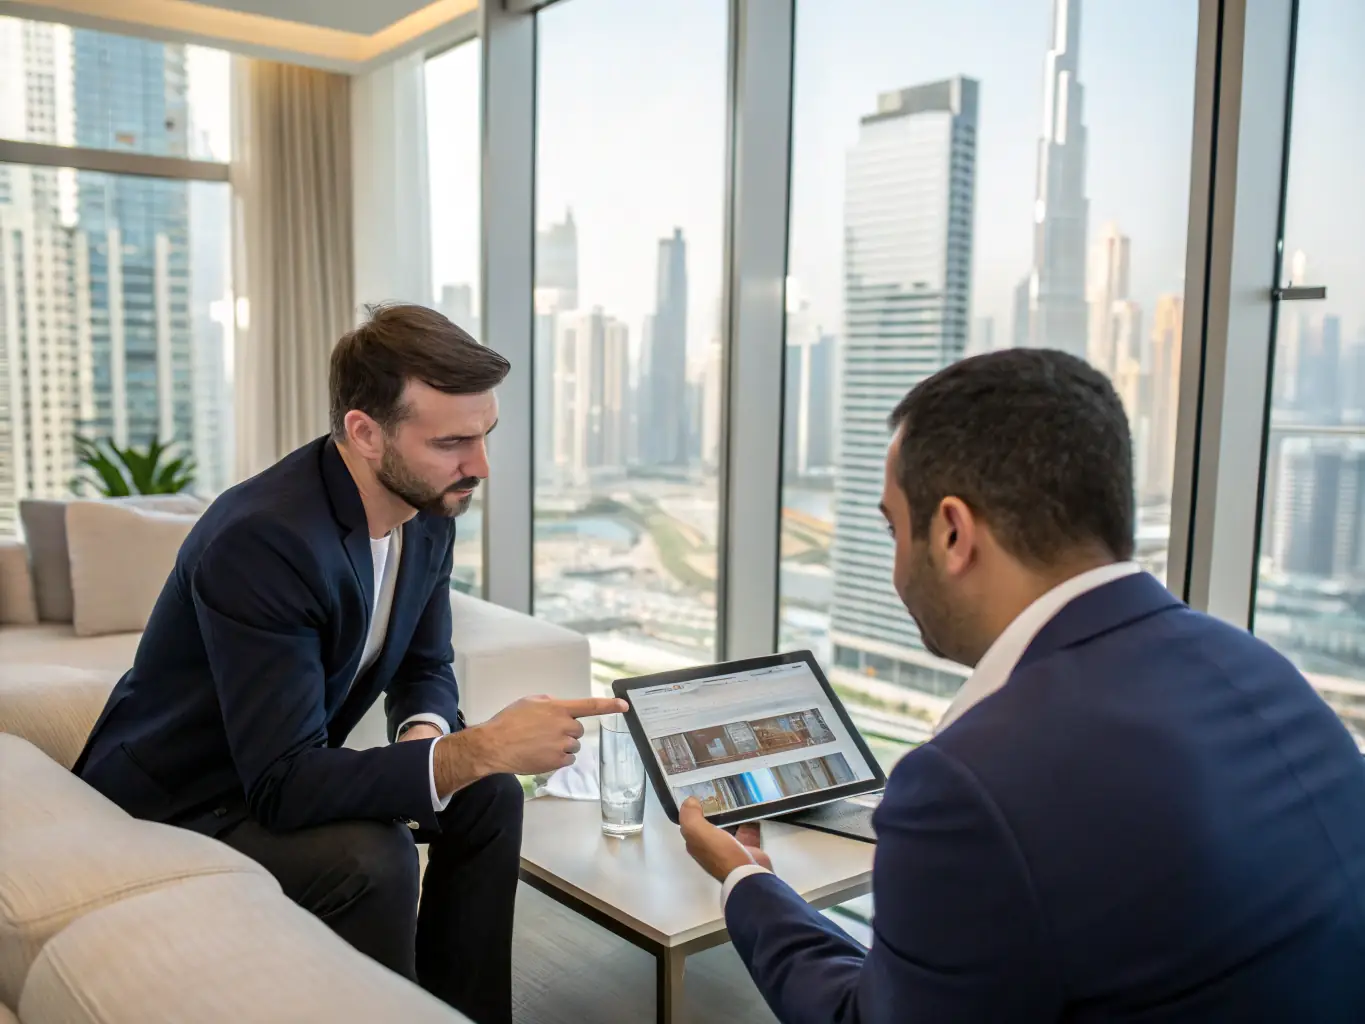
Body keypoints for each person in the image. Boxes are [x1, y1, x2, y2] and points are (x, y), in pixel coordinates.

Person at [679, 348, 1365, 1022]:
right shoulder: (1261, 670)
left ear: (952, 532)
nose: (894, 570)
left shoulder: (967, 782)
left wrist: (747, 880)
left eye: (894, 530)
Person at [74, 303, 626, 1024]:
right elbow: (281, 784)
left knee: (490, 795)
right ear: (366, 433)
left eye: (486, 436)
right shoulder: (264, 540)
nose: (480, 467)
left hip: (271, 765)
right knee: (372, 857)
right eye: (454, 441)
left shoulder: (427, 505)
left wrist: (430, 737)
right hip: (182, 798)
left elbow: (426, 662)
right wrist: (476, 747)